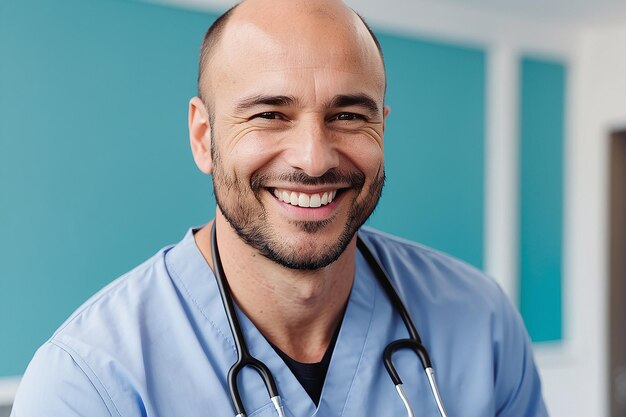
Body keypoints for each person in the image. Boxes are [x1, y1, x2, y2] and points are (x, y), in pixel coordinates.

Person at [10, 0, 548, 416]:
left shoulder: (481, 322)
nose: (314, 160)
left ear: (382, 125)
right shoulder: (88, 383)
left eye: (347, 116)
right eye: (269, 114)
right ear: (203, 136)